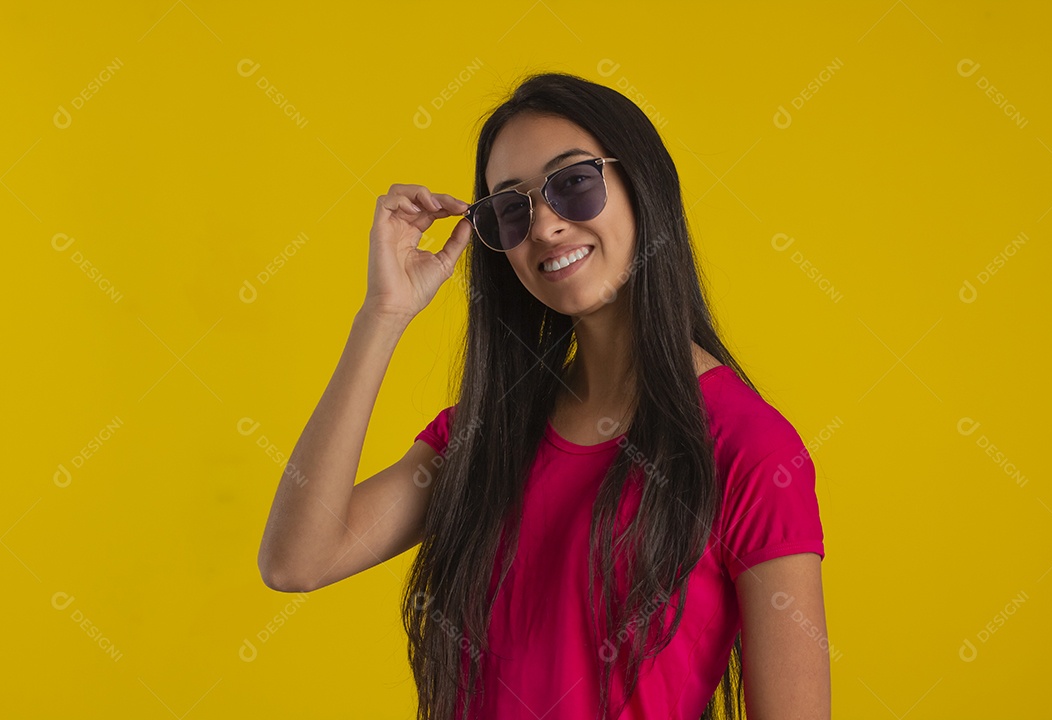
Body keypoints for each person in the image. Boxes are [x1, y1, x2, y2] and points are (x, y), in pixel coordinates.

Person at [258, 72, 829, 720]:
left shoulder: (747, 445)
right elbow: (296, 560)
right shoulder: (486, 436)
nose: (547, 226)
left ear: (643, 186)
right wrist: (383, 312)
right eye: (511, 209)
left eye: (574, 183)